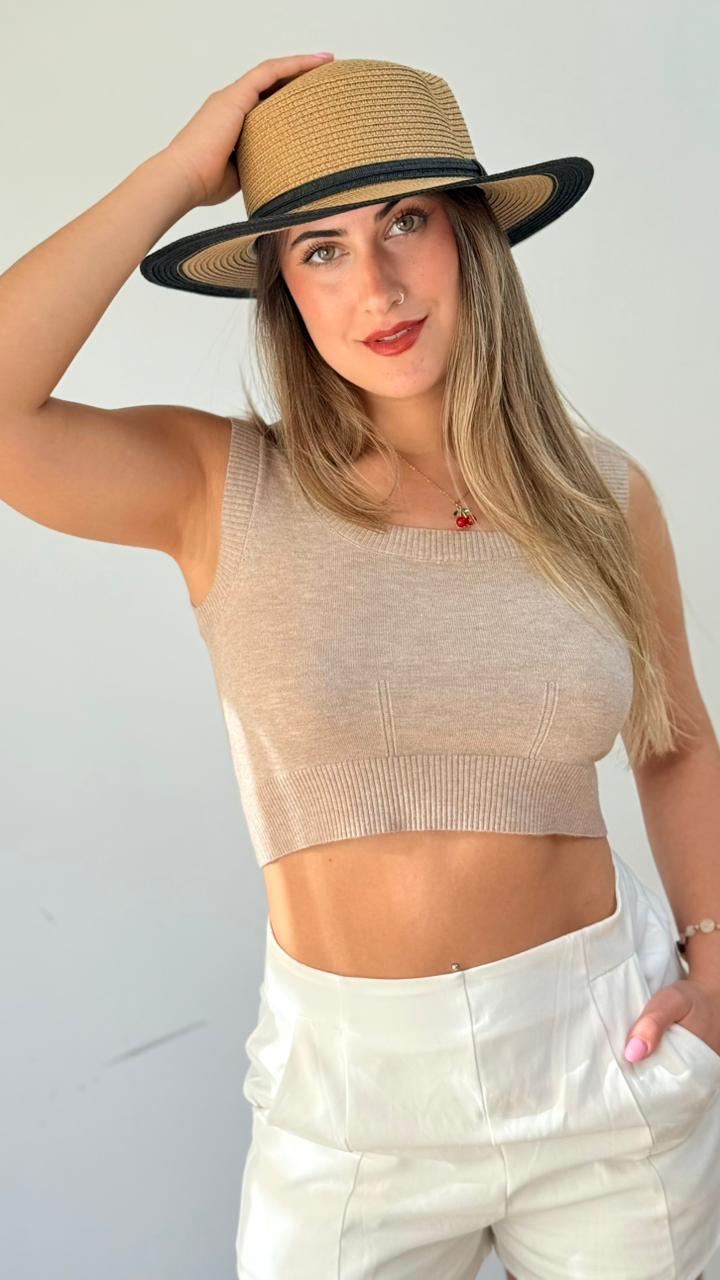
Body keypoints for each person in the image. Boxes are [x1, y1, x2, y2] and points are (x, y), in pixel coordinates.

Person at [2, 52, 719, 1279]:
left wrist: (716, 957)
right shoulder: (222, 486)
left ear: (471, 236)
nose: (376, 285)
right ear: (280, 286)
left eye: (405, 223)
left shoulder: (602, 494)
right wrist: (177, 174)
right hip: (348, 1104)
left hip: (611, 1053)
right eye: (321, 248)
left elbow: (676, 738)